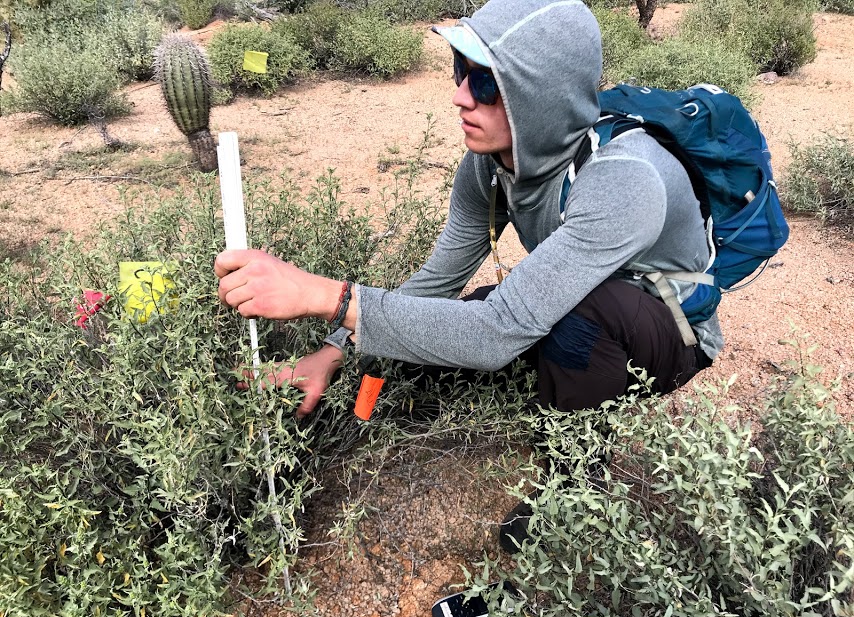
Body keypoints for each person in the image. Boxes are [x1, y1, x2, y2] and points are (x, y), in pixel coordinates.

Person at [215, 0, 722, 549]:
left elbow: (495, 331)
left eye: (486, 84)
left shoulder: (625, 180)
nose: (459, 95)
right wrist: (333, 350)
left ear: (541, 98)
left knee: (573, 320)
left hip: (670, 334)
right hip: (582, 294)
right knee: (454, 323)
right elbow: (439, 279)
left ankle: (573, 483)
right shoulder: (491, 160)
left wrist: (325, 296)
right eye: (462, 72)